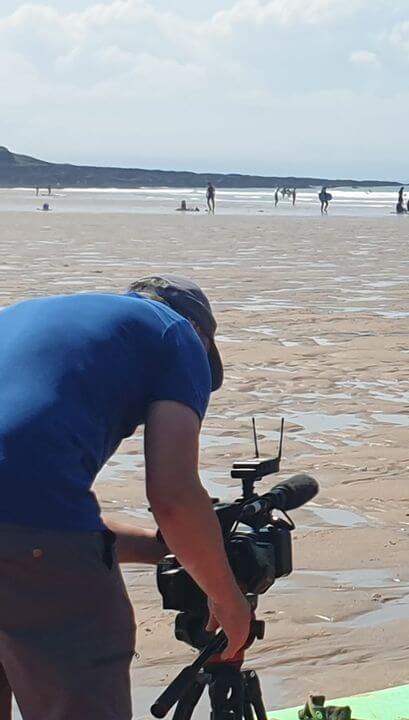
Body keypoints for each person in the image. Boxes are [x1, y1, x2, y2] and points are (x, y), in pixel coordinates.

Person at [0, 276, 252, 720]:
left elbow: (36, 519)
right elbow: (173, 497)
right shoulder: (177, 333)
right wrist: (227, 599)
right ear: (202, 335)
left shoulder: (24, 317)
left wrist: (169, 550)